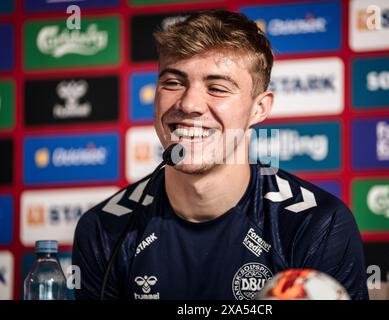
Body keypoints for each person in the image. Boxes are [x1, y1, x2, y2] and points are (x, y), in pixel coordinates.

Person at [72, 9, 369, 300]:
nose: (189, 104)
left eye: (217, 88)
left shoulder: (316, 224)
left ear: (259, 108)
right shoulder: (104, 229)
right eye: (173, 83)